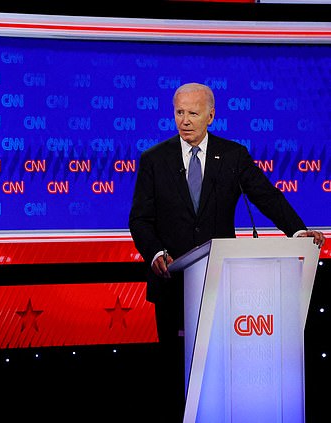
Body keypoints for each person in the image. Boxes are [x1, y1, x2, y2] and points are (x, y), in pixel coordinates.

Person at [128, 82, 325, 422]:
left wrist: (296, 231)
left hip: (222, 283)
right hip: (173, 283)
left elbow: (267, 196)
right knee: (174, 372)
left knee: (219, 366)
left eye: (193, 113)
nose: (185, 120)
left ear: (211, 115)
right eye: (179, 112)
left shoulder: (232, 156)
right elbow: (140, 219)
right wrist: (156, 252)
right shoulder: (154, 160)